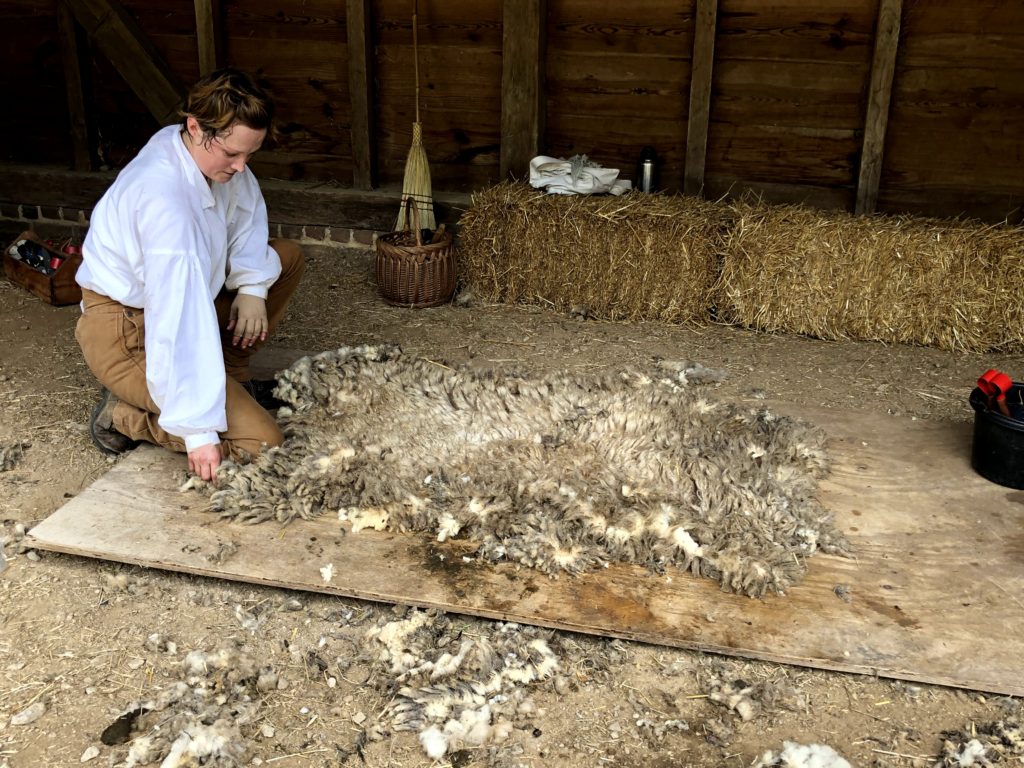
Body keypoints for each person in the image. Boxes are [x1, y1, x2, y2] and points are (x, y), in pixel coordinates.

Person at [75, 68, 305, 482]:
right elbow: (176, 320)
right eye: (232, 154)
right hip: (129, 333)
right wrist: (199, 430)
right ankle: (123, 415)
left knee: (284, 258)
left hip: (182, 303)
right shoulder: (166, 204)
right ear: (195, 127)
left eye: (250, 154)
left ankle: (234, 379)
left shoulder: (199, 152)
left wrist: (252, 287)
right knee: (262, 445)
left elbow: (247, 220)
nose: (241, 167)